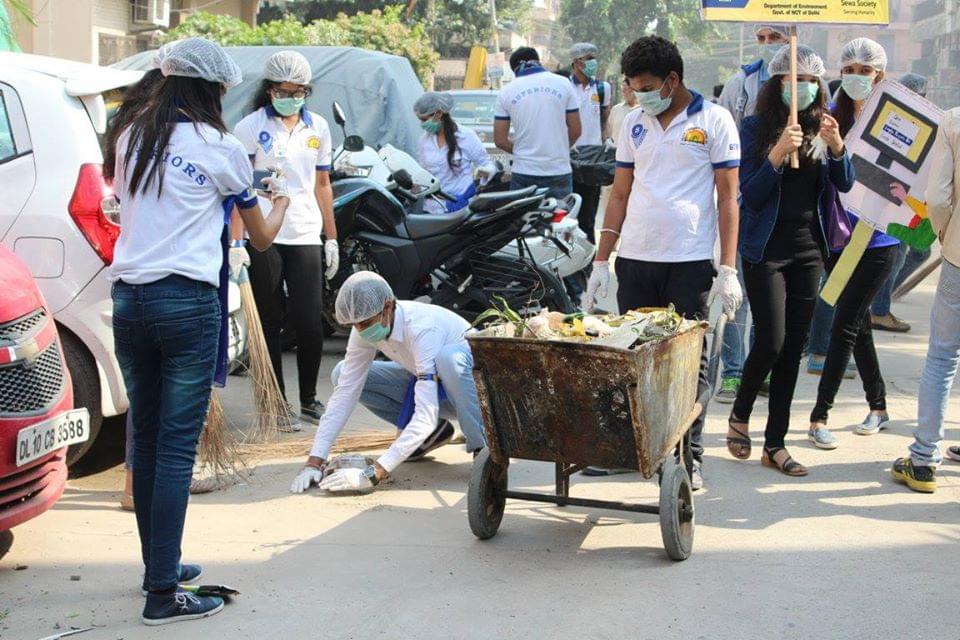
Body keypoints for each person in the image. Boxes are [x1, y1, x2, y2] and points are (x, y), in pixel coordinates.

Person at [110, 37, 290, 625]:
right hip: (185, 303)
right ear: (212, 89)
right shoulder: (219, 145)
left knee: (147, 439)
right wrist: (281, 203)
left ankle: (157, 567)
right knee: (175, 450)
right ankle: (163, 595)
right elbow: (260, 237)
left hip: (129, 300)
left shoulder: (132, 136)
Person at [584, 36, 743, 489]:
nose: (640, 97)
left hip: (688, 261)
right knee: (634, 359)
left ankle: (688, 457)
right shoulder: (634, 123)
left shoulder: (714, 120)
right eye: (633, 89)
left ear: (672, 80)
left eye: (647, 88)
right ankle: (634, 449)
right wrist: (601, 262)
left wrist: (727, 269)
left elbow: (728, 198)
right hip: (636, 258)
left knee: (687, 365)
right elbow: (619, 194)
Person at [727, 46, 854, 476]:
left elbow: (845, 184)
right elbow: (751, 193)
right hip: (764, 249)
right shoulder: (754, 128)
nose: (801, 87)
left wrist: (837, 148)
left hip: (808, 251)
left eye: (809, 81)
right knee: (772, 341)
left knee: (792, 350)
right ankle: (741, 410)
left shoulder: (824, 126)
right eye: (792, 79)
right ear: (777, 83)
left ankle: (775, 444)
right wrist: (778, 153)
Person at [290, 272, 487, 494]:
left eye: (366, 323)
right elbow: (346, 392)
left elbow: (426, 414)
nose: (361, 330)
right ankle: (433, 435)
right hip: (433, 386)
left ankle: (484, 450)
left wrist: (373, 473)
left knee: (449, 360)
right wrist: (314, 461)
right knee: (341, 373)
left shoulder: (422, 328)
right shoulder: (365, 328)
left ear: (388, 307)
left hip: (475, 397)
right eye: (355, 325)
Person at [233, 50, 337, 425]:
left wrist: (331, 237)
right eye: (283, 91)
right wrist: (236, 242)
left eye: (298, 92)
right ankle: (275, 401)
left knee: (309, 319)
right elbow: (239, 187)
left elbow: (322, 184)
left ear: (307, 91)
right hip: (263, 232)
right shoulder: (249, 127)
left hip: (305, 230)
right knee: (269, 318)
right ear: (269, 90)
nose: (290, 98)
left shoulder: (318, 127)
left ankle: (309, 398)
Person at [807, 37, 901, 448]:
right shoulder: (828, 116)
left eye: (865, 71)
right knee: (858, 324)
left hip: (879, 238)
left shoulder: (896, 122)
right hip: (839, 237)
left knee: (845, 323)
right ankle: (878, 406)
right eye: (849, 70)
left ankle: (819, 416)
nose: (857, 77)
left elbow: (902, 181)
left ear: (880, 75)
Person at [714, 24, 789, 404]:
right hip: (744, 201)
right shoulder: (739, 84)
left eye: (775, 37)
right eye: (761, 38)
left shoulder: (805, 86)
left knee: (769, 301)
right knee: (735, 292)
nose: (767, 44)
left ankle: (761, 369)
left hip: (785, 211)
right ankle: (732, 372)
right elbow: (724, 137)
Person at [892, 106, 960, 493]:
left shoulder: (953, 122)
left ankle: (922, 460)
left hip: (958, 258)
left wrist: (947, 234)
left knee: (943, 357)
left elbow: (937, 199)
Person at [870, 72, 932, 332]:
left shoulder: (925, 123)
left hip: (912, 200)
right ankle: (879, 310)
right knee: (897, 253)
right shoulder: (893, 120)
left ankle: (879, 299)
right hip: (893, 198)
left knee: (919, 251)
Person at [494, 47, 581, 199]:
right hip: (558, 171)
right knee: (559, 214)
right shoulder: (564, 84)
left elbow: (500, 140)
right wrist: (557, 150)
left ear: (514, 69)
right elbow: (576, 130)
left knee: (523, 215)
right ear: (538, 61)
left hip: (523, 172)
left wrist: (524, 152)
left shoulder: (506, 92)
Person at [412, 91, 496, 214]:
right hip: (432, 207)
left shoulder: (466, 136)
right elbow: (423, 174)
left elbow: (486, 163)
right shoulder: (424, 141)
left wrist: (486, 171)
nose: (422, 124)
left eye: (424, 120)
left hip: (461, 206)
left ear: (439, 113)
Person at [569, 42, 612, 243]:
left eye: (594, 58)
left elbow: (605, 119)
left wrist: (608, 138)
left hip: (593, 160)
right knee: (571, 212)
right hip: (570, 156)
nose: (593, 62)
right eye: (589, 59)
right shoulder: (565, 87)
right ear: (577, 62)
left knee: (589, 214)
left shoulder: (602, 88)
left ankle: (589, 255)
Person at [608, 78, 639, 147]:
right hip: (616, 150)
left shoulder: (643, 111)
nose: (624, 93)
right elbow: (609, 130)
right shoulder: (616, 109)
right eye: (623, 90)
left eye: (626, 89)